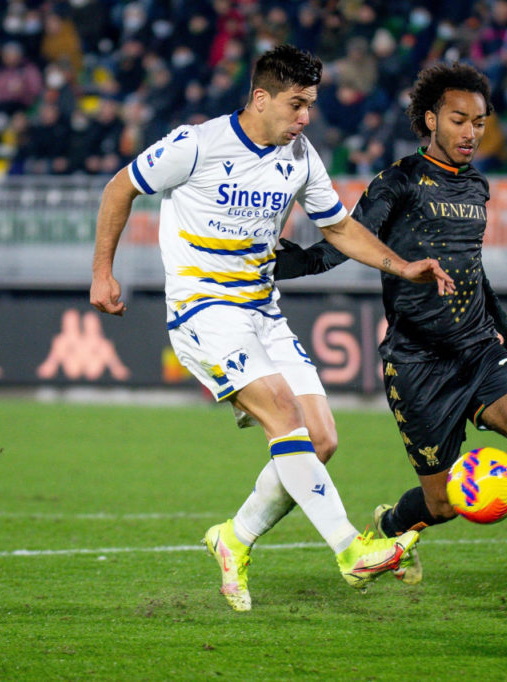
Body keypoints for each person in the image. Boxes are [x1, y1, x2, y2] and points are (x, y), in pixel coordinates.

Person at [89, 45, 455, 612]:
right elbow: (119, 187)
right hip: (203, 309)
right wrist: (102, 273)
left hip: (263, 309)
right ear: (260, 98)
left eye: (310, 104)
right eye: (297, 104)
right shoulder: (197, 144)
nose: (306, 116)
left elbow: (337, 229)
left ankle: (233, 538)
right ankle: (349, 549)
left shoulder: (300, 156)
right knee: (284, 417)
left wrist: (403, 266)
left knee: (322, 437)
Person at [274, 63, 507, 610]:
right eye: (460, 120)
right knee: (441, 505)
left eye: (480, 122)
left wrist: (499, 315)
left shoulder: (477, 186)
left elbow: (470, 263)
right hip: (417, 364)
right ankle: (392, 523)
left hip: (478, 349)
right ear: (430, 119)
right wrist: (289, 263)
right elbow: (346, 240)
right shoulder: (398, 180)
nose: (471, 133)